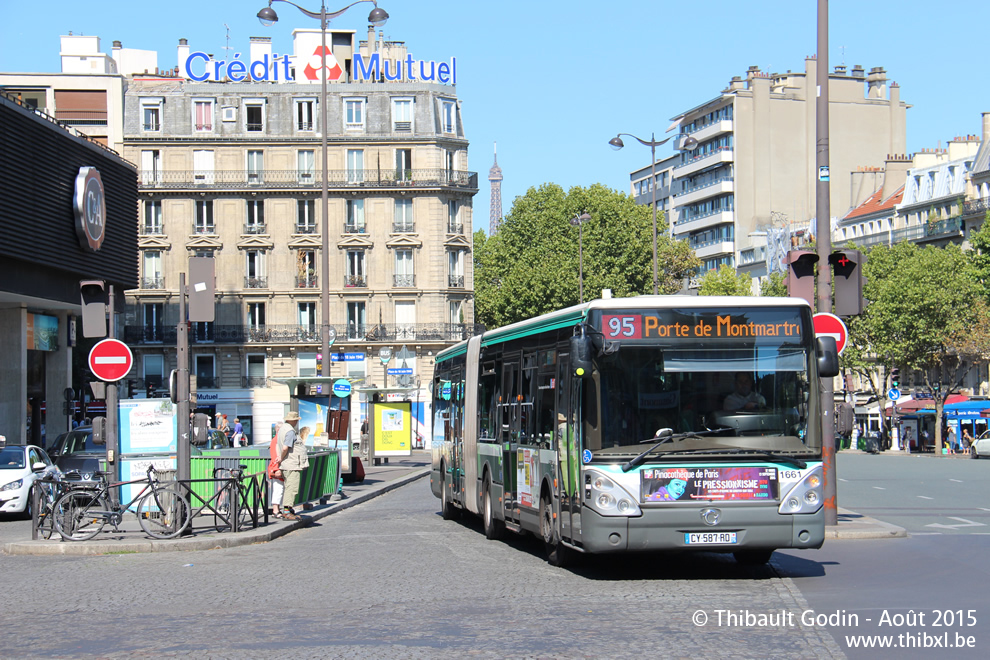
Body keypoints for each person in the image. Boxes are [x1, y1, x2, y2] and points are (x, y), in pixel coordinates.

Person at [276, 412, 309, 520]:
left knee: (289, 486)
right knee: (292, 487)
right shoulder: (290, 431)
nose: (297, 422)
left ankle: (288, 509)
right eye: (296, 420)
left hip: (288, 463)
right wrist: (281, 457)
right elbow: (285, 448)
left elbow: (279, 445)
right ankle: (287, 511)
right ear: (293, 421)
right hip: (291, 463)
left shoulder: (283, 429)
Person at [268, 428, 285, 518]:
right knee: (279, 488)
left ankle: (277, 509)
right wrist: (276, 468)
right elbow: (275, 455)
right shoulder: (278, 439)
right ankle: (276, 510)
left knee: (279, 488)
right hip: (277, 466)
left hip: (277, 465)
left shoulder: (276, 439)